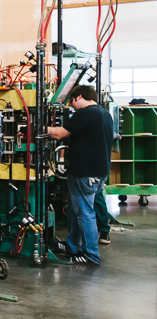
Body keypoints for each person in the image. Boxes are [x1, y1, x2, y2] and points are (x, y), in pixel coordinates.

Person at [47, 85, 114, 264]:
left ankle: (91, 254)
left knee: (85, 213)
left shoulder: (85, 113)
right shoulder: (104, 113)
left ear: (79, 97)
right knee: (75, 209)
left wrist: (37, 128)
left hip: (86, 172)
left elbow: (60, 134)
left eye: (71, 101)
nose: (70, 105)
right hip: (99, 172)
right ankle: (73, 246)